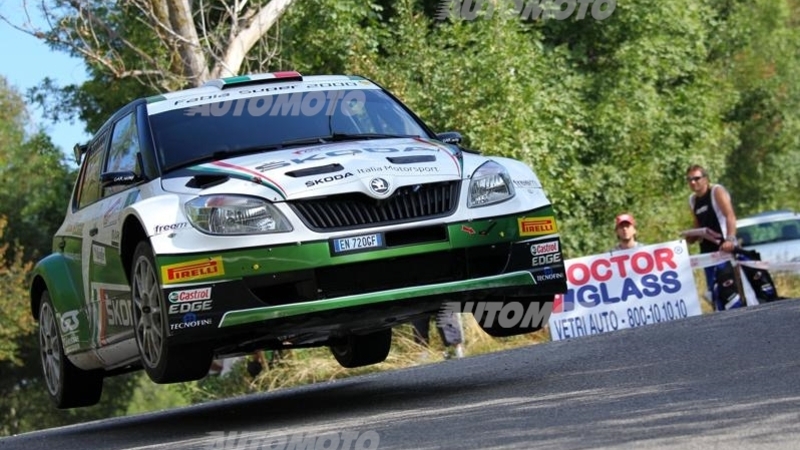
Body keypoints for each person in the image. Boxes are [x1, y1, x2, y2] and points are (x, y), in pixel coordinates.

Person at [684, 164, 738, 306]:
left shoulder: (716, 191)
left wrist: (730, 239)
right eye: (689, 179)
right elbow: (698, 224)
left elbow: (730, 215)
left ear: (706, 179)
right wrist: (691, 237)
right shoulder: (693, 200)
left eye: (696, 178)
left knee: (729, 291)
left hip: (723, 248)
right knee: (714, 290)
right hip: (707, 251)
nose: (693, 182)